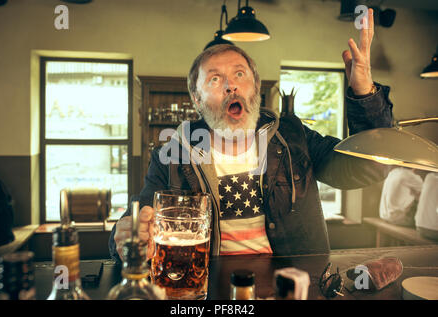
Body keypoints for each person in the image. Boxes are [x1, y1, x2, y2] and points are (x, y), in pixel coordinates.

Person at [109, 9, 393, 262]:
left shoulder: (292, 136)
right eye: (215, 79)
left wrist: (365, 92)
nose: (231, 85)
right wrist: (124, 236)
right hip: (207, 290)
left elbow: (369, 167)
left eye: (240, 74)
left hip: (293, 286)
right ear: (196, 99)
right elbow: (140, 214)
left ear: (255, 87)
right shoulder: (172, 154)